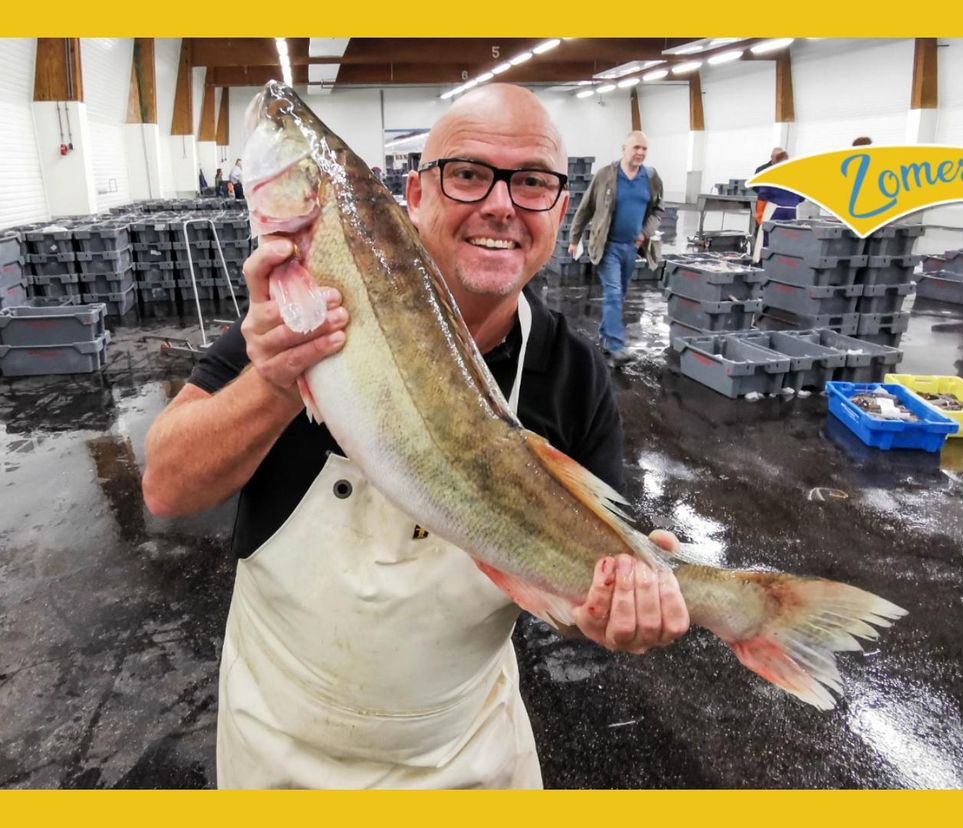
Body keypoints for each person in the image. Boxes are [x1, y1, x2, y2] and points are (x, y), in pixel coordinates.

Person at [142, 84, 689, 790]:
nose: (499, 204)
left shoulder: (570, 370)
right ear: (415, 194)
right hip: (278, 753)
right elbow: (165, 486)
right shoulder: (300, 308)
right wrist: (272, 381)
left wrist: (619, 609)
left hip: (469, 760)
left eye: (530, 182)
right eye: (467, 174)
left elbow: (581, 590)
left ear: (559, 209)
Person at [568, 131, 664, 366]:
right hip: (606, 246)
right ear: (624, 148)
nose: (640, 152)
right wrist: (574, 238)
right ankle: (615, 345)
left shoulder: (650, 178)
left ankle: (605, 335)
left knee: (618, 295)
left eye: (644, 149)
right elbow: (585, 207)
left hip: (630, 248)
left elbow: (658, 210)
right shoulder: (606, 175)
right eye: (636, 148)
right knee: (612, 293)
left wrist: (644, 233)